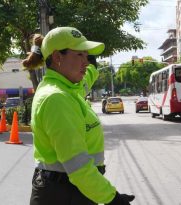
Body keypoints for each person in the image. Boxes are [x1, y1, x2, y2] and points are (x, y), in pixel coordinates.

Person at [22, 27, 135, 205]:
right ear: (58, 57)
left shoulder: (70, 89)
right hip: (64, 194)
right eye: (80, 55)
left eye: (87, 56)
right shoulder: (57, 98)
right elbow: (78, 167)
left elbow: (89, 74)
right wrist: (113, 199)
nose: (87, 62)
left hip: (72, 190)